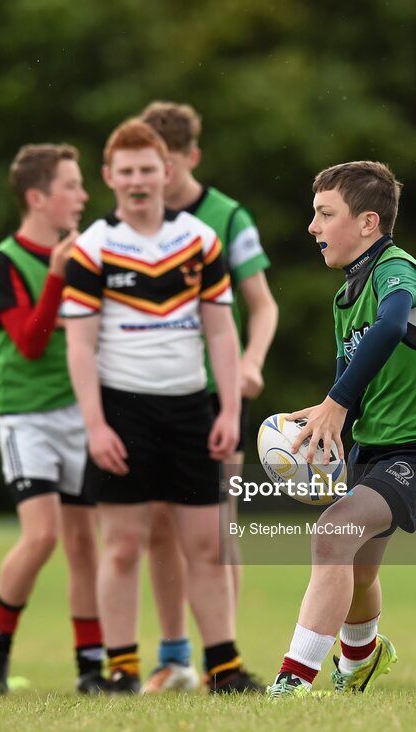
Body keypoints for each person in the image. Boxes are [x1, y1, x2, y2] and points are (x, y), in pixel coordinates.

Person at [62, 118, 260, 694]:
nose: (138, 181)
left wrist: (226, 411)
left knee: (205, 543)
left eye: (147, 169)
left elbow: (222, 334)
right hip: (122, 413)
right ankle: (121, 670)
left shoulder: (200, 239)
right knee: (123, 544)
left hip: (190, 409)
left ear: (166, 172)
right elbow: (79, 346)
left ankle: (223, 667)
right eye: (126, 172)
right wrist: (95, 425)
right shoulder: (93, 247)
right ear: (109, 178)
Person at [266, 161, 416, 698]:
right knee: (355, 568)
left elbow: (393, 325)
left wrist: (338, 401)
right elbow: (348, 380)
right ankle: (361, 661)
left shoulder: (395, 271)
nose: (312, 227)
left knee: (332, 536)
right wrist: (321, 428)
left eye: (325, 214)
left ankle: (293, 680)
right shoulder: (345, 297)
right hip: (375, 445)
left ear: (368, 223)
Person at [139, 101, 278, 693]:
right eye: (145, 165)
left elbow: (263, 306)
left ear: (190, 157)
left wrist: (250, 361)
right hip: (148, 397)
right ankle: (174, 657)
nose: (154, 177)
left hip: (215, 398)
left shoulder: (227, 217)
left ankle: (222, 654)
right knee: (156, 530)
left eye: (164, 164)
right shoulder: (129, 222)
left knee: (215, 529)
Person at [0, 144, 106, 695]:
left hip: (80, 411)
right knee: (42, 537)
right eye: (71, 186)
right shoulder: (2, 263)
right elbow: (28, 343)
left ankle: (92, 668)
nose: (82, 196)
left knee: (83, 543)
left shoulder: (90, 254)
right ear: (37, 197)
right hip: (26, 418)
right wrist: (56, 276)